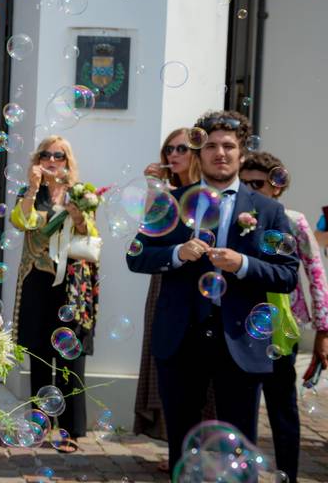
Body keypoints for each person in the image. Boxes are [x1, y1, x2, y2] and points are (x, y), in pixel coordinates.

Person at [126, 110, 299, 472]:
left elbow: (286, 273)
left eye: (229, 146)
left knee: (240, 448)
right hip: (181, 338)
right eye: (211, 145)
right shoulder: (171, 201)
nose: (220, 153)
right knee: (182, 448)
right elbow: (136, 255)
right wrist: (176, 253)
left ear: (242, 153)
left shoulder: (267, 211)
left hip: (240, 338)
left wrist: (243, 264)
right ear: (198, 151)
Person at [240, 151, 328, 483]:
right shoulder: (235, 216)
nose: (251, 189)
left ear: (276, 187)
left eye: (258, 183)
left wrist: (323, 329)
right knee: (242, 404)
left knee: (282, 404)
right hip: (240, 322)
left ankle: (288, 472)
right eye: (245, 182)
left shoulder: (292, 220)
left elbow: (314, 273)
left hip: (280, 325)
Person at [9, 135, 98, 452]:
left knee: (70, 357)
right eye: (45, 154)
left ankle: (71, 429)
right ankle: (40, 424)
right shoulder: (30, 192)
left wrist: (77, 214)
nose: (51, 159)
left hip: (71, 286)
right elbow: (22, 221)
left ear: (67, 161)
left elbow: (91, 235)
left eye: (58, 155)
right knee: (39, 355)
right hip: (37, 280)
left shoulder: (81, 193)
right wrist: (32, 189)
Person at [134, 128, 197, 444]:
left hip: (199, 287)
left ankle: (201, 442)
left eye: (181, 148)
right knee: (165, 357)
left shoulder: (206, 195)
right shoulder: (167, 195)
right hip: (165, 279)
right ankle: (174, 441)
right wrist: (153, 187)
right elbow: (148, 236)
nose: (173, 155)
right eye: (168, 149)